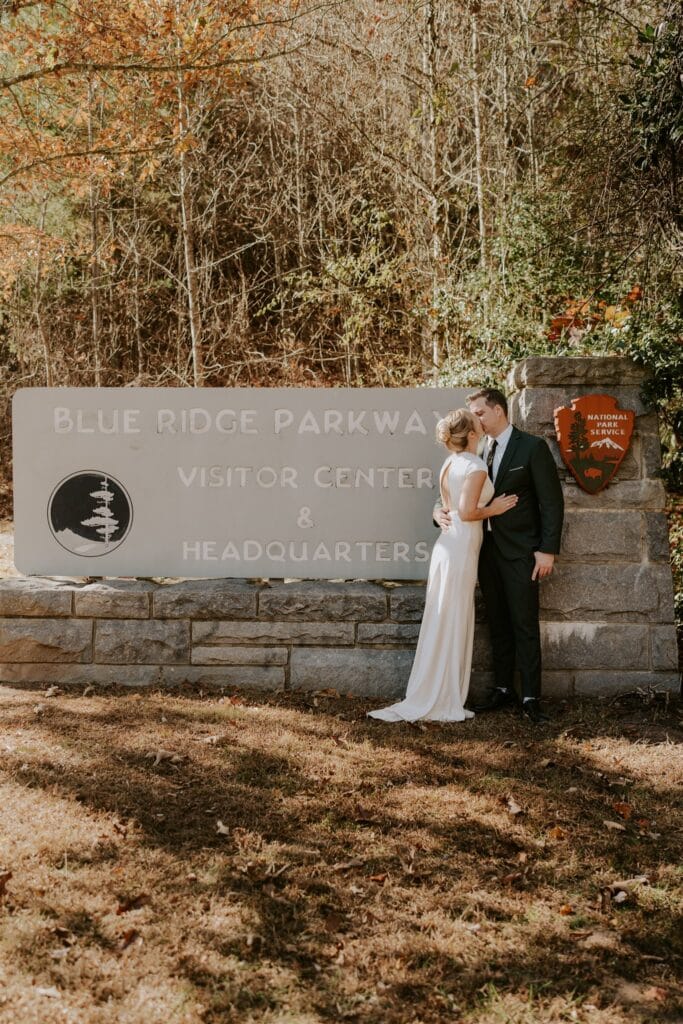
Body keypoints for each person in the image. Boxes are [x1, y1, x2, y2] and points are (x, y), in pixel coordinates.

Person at [368, 409, 518, 723]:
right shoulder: (475, 466)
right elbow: (466, 511)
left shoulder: (450, 462)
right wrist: (497, 508)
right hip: (460, 546)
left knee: (444, 616)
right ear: (474, 434)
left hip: (448, 546)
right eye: (478, 424)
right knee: (454, 617)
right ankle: (445, 696)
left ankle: (438, 690)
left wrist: (440, 512)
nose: (482, 424)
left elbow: (446, 505)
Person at [435, 387, 564, 724]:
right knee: (497, 624)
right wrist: (437, 512)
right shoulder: (476, 453)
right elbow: (460, 499)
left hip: (521, 551)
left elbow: (551, 502)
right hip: (483, 550)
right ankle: (503, 688)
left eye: (479, 412)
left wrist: (547, 550)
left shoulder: (532, 448)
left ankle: (531, 696)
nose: (474, 419)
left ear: (498, 411)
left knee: (524, 622)